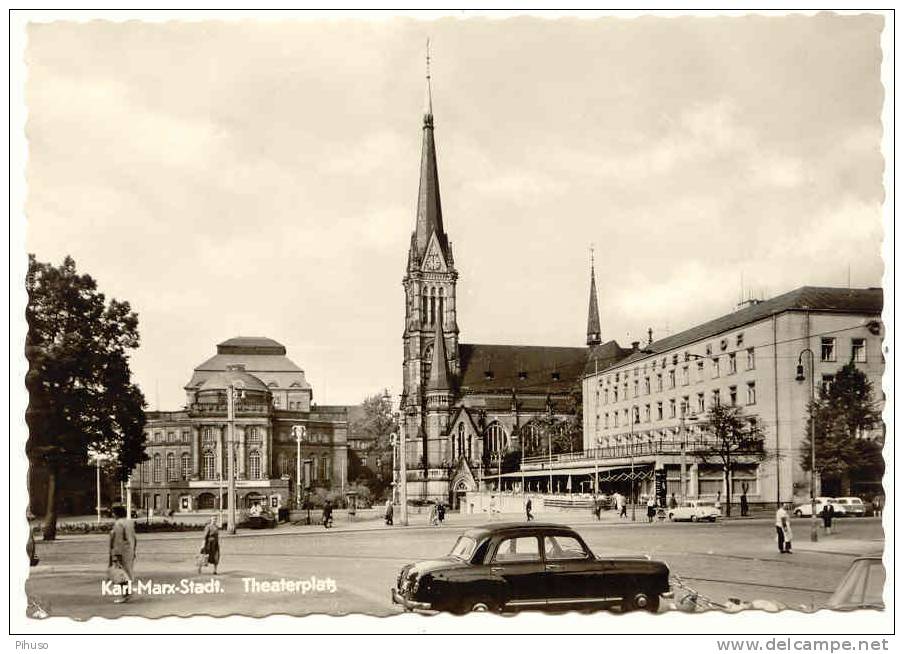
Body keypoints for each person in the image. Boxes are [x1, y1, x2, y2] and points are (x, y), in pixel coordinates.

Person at [108, 504, 137, 603]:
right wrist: (134, 550)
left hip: (121, 552)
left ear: (116, 514)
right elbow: (134, 538)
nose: (112, 515)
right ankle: (127, 593)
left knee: (121, 575)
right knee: (127, 573)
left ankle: (125, 595)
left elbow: (118, 540)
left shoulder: (118, 524)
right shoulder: (130, 522)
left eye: (113, 513)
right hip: (130, 550)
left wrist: (116, 555)